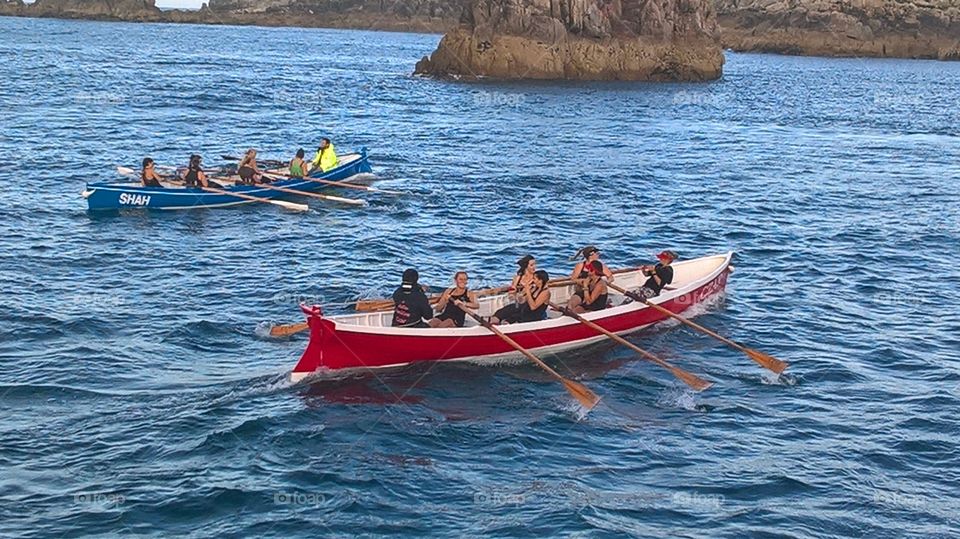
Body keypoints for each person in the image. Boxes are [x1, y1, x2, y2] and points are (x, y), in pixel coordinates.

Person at [489, 255, 538, 325]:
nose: (535, 267)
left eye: (535, 264)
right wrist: (513, 294)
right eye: (532, 265)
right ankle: (497, 320)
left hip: (528, 302)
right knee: (512, 306)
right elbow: (512, 290)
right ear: (526, 266)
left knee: (515, 308)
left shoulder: (536, 279)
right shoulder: (518, 277)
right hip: (516, 300)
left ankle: (499, 319)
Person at [568, 245, 614, 310]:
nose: (599, 255)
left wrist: (603, 284)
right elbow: (573, 279)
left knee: (580, 308)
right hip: (581, 291)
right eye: (597, 253)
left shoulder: (599, 266)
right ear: (591, 255)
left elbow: (611, 278)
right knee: (571, 304)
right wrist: (583, 282)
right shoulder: (580, 265)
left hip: (594, 291)